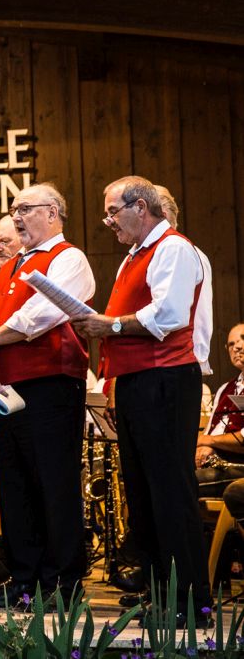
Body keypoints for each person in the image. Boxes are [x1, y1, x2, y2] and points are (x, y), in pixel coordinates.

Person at [74, 176, 211, 621]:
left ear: (140, 206)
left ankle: (190, 599)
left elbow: (169, 316)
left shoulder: (172, 248)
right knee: (143, 490)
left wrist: (108, 326)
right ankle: (159, 590)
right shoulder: (133, 257)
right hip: (138, 381)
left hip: (166, 377)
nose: (108, 221)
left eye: (113, 211)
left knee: (170, 489)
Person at [0, 183, 93, 603]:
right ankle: (24, 579)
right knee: (16, 483)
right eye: (14, 210)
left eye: (24, 209)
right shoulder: (8, 270)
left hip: (51, 384)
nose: (17, 218)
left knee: (54, 480)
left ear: (53, 212)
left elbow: (43, 315)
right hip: (8, 390)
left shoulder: (69, 258)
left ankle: (63, 579)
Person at [158, 186, 215, 375]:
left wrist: (197, 362)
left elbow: (201, 312)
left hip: (176, 364)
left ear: (161, 215)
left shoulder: (185, 251)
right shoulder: (133, 257)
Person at [196, 324, 244, 495]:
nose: (237, 346)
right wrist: (202, 449)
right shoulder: (225, 388)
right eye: (231, 344)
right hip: (218, 465)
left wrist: (208, 442)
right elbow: (210, 432)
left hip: (238, 466)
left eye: (243, 338)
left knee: (184, 484)